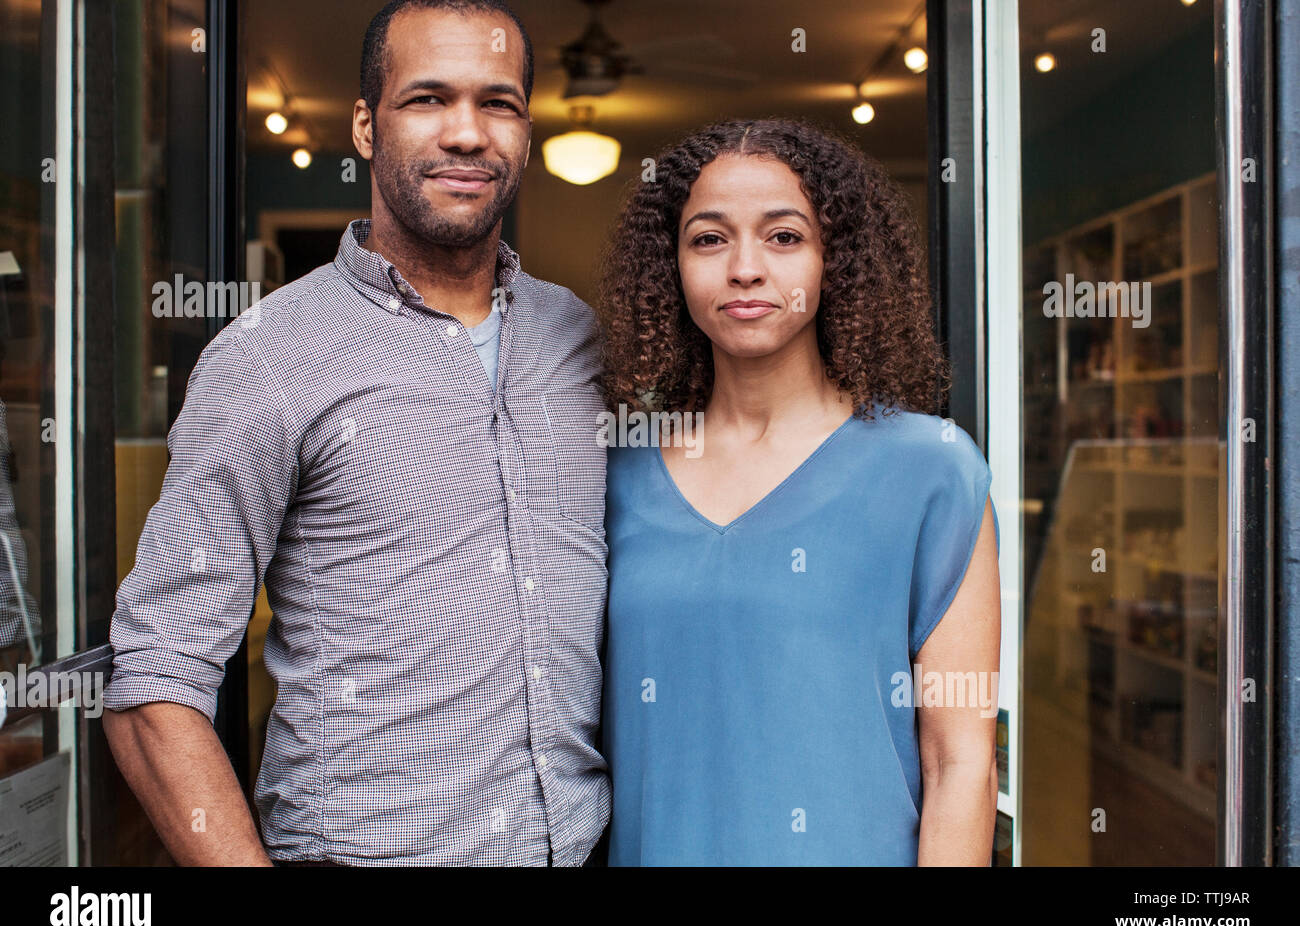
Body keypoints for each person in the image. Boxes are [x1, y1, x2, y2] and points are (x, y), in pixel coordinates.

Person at [102, 0, 610, 866]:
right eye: (427, 99)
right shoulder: (266, 358)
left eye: (499, 103)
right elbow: (156, 677)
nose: (467, 133)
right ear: (367, 127)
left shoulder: (579, 341)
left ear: (525, 134)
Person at [596, 118, 1002, 865]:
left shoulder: (932, 471)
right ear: (670, 269)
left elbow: (961, 763)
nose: (745, 268)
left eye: (784, 237)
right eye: (708, 239)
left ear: (834, 261)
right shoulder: (615, 473)